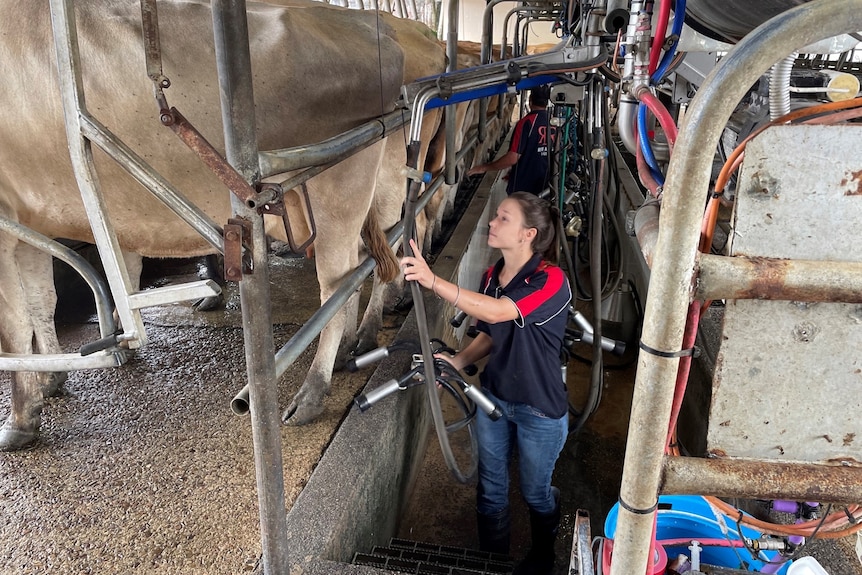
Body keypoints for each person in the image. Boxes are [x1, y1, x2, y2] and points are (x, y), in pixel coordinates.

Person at [400, 192, 571, 575]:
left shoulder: (550, 280)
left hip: (539, 409)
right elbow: (492, 332)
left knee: (534, 492)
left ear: (528, 234)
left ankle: (544, 556)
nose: (492, 224)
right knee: (491, 490)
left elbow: (498, 311)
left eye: (503, 219)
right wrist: (458, 361)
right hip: (493, 398)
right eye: (494, 216)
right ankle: (491, 564)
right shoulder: (493, 275)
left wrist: (433, 281)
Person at [467, 85, 557, 196]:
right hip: (545, 187)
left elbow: (512, 158)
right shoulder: (554, 123)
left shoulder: (526, 123)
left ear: (530, 100)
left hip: (523, 189)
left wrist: (484, 167)